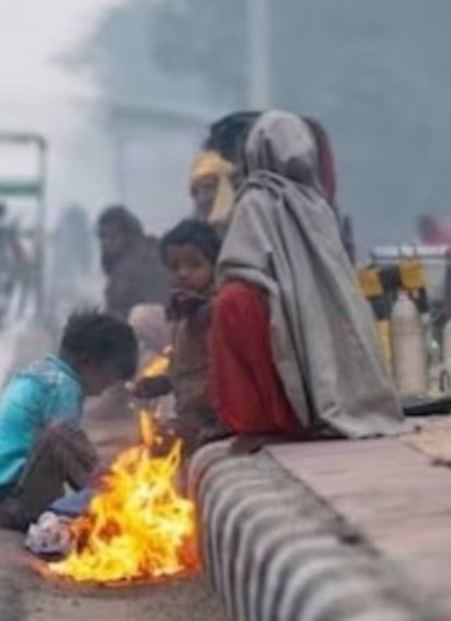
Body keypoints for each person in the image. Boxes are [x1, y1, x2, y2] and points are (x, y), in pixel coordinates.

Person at [210, 111, 405, 439]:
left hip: (274, 329)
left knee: (233, 302)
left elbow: (239, 267)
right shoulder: (318, 206)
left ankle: (266, 417)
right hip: (307, 322)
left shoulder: (254, 201)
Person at [0, 309, 139, 532]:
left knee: (67, 439)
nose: (106, 389)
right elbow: (67, 442)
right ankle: (107, 501)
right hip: (17, 502)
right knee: (62, 434)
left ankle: (103, 496)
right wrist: (102, 478)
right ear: (86, 363)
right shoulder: (63, 386)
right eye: (108, 379)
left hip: (5, 500)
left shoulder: (43, 372)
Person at [135, 219, 224, 452]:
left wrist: (221, 422)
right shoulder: (183, 312)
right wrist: (162, 383)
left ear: (215, 266)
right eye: (174, 267)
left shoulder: (217, 313)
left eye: (194, 265)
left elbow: (227, 373)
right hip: (190, 417)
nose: (183, 274)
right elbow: (189, 370)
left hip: (213, 421)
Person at [97, 205, 169, 320]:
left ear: (129, 236)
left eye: (112, 236)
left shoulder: (148, 262)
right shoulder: (120, 266)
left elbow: (157, 307)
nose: (106, 243)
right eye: (102, 237)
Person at [189, 150, 236, 233]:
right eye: (207, 187)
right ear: (194, 193)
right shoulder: (187, 234)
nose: (213, 195)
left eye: (218, 189)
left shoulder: (238, 226)